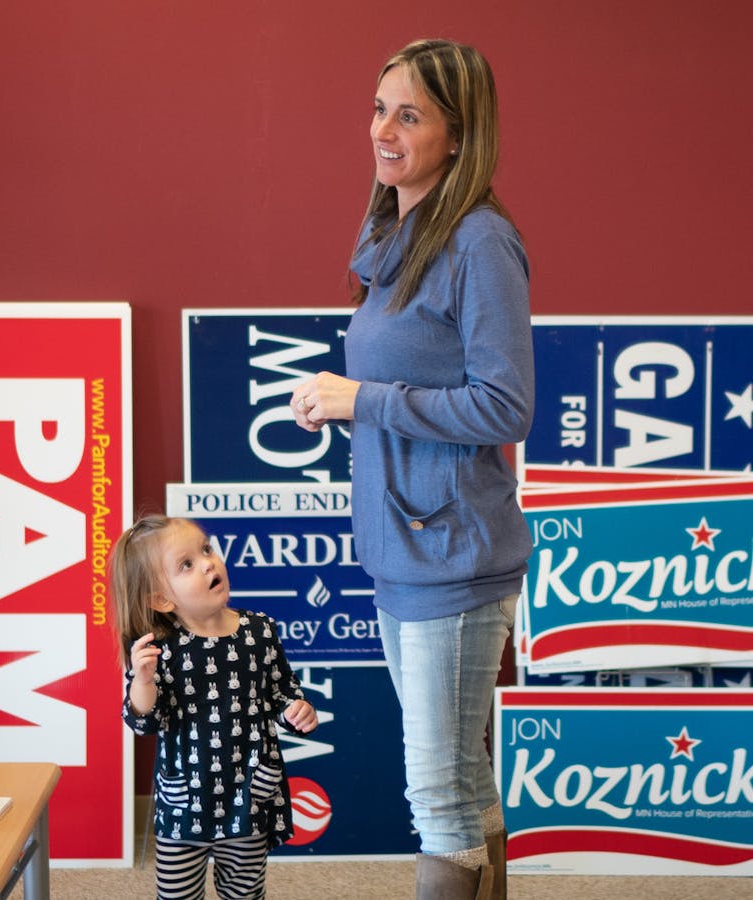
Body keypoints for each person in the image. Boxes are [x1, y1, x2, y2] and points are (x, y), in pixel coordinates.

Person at [290, 38, 532, 900]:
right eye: (379, 107)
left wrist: (365, 400)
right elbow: (399, 378)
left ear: (460, 136)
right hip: (405, 552)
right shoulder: (398, 230)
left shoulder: (480, 242)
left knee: (438, 795)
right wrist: (341, 399)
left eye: (410, 114)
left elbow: (506, 407)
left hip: (454, 560)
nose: (383, 131)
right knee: (460, 784)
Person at [112, 514, 318, 899]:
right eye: (186, 564)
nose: (208, 562)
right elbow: (143, 721)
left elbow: (280, 691)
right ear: (162, 598)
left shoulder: (259, 630)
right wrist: (142, 681)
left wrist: (297, 708)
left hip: (249, 796)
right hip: (185, 801)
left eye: (206, 549)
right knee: (177, 894)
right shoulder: (160, 649)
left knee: (245, 892)